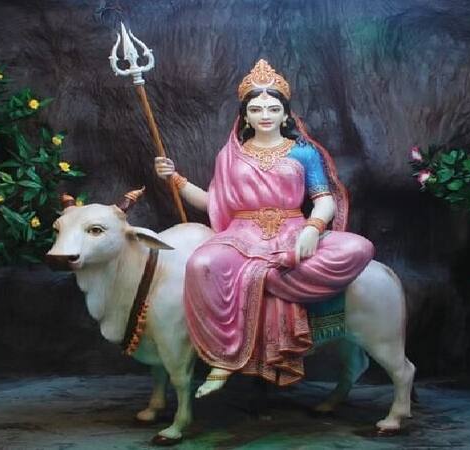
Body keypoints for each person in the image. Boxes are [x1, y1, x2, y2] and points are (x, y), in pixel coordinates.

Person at [155, 59, 374, 398]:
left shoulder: (303, 153)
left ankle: (262, 276)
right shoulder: (231, 155)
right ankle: (225, 356)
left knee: (359, 248)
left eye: (273, 108)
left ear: (286, 115)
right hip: (241, 236)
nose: (265, 115)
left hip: (292, 232)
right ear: (245, 117)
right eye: (256, 109)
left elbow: (324, 199)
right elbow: (212, 201)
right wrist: (175, 179)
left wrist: (313, 228)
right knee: (200, 264)